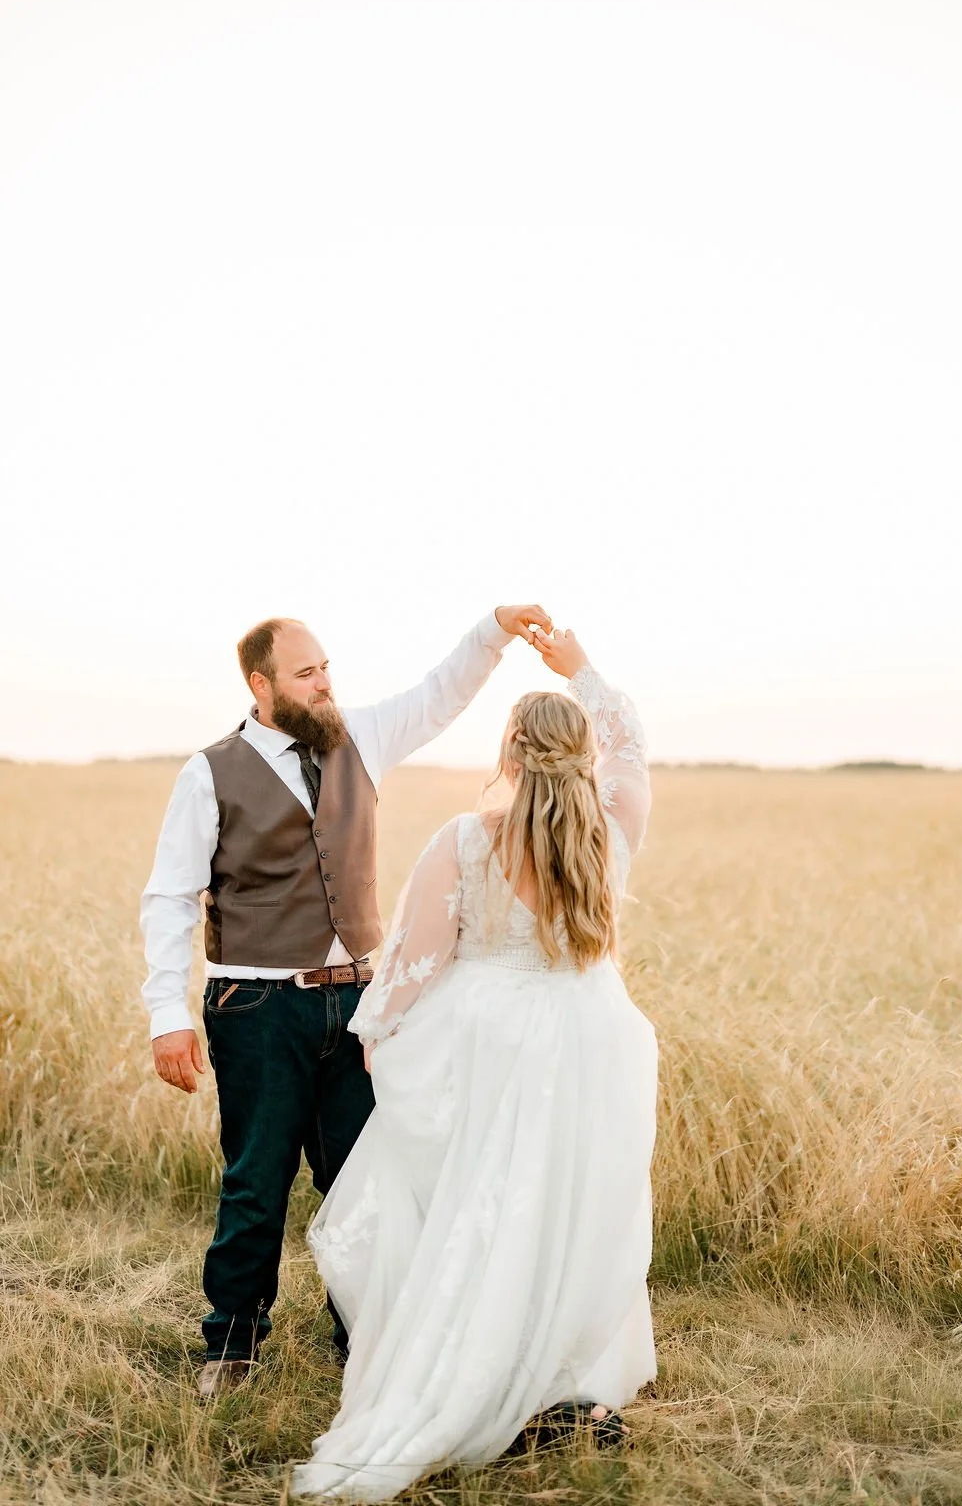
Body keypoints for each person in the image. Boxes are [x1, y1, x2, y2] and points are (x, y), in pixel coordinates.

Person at [140, 603, 551, 1398]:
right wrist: (167, 1018)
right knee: (256, 1182)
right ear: (262, 686)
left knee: (364, 1181)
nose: (325, 682)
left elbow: (441, 694)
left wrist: (494, 630)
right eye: (306, 672)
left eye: (326, 666)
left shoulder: (359, 736)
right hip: (256, 1007)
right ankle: (232, 1345)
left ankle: (367, 1338)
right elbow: (169, 898)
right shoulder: (209, 772)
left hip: (357, 1007)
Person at [290, 627, 658, 1503]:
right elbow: (633, 741)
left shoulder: (466, 838)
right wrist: (576, 663)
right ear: (581, 754)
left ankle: (483, 1363)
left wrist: (377, 1034)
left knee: (486, 1202)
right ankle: (568, 1382)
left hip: (490, 1038)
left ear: (508, 752)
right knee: (572, 1203)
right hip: (590, 1034)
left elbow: (416, 958)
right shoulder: (613, 824)